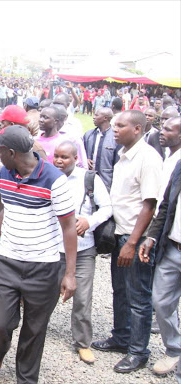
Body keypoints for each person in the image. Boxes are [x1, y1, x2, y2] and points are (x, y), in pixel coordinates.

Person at [0, 125, 77, 383]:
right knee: (2, 322)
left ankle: (26, 378)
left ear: (12, 152)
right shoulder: (6, 172)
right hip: (8, 261)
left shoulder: (54, 180)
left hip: (44, 266)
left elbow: (69, 227)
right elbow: (7, 211)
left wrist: (70, 274)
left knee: (34, 329)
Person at [91, 110, 162, 373]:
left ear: (138, 129)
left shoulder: (147, 158)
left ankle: (138, 351)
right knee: (120, 291)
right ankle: (121, 338)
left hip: (135, 239)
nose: (115, 130)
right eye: (115, 125)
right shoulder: (123, 156)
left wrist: (132, 243)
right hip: (120, 235)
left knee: (139, 297)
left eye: (121, 125)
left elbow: (149, 204)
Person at [53, 141, 112, 364]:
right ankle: (34, 332)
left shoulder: (90, 179)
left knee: (82, 298)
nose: (59, 161)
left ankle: (83, 343)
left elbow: (107, 208)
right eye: (56, 156)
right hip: (51, 248)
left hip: (83, 249)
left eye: (64, 157)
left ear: (76, 159)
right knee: (43, 295)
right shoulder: (49, 177)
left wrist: (89, 221)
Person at [139, 159, 181, 379]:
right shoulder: (180, 166)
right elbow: (166, 205)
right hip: (173, 248)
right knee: (161, 301)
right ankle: (175, 349)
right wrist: (152, 236)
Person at [83, 107, 121, 190]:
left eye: (96, 115)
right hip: (88, 180)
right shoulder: (88, 135)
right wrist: (86, 159)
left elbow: (118, 163)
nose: (94, 117)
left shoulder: (116, 137)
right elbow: (81, 154)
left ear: (105, 118)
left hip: (106, 182)